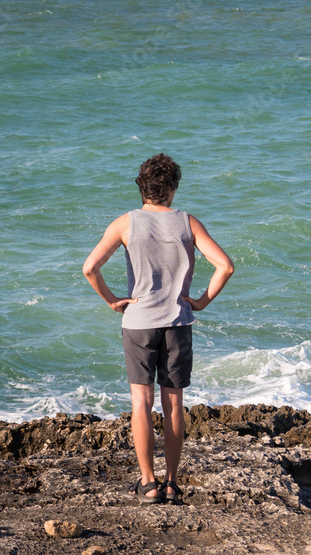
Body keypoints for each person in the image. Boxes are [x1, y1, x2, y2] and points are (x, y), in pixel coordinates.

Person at [82, 153, 234, 505]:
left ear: (142, 189)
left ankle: (148, 483)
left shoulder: (125, 223)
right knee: (174, 403)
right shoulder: (188, 223)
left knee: (141, 401)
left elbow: (90, 267)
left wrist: (112, 300)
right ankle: (171, 482)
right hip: (177, 322)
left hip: (138, 323)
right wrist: (201, 301)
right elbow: (225, 266)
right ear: (173, 189)